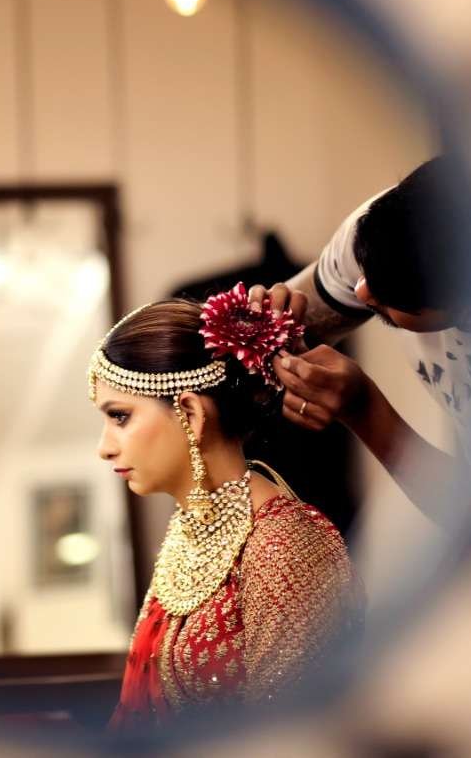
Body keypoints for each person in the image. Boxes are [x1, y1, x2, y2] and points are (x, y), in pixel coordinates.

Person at [89, 290, 364, 732]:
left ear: (191, 414)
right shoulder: (191, 527)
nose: (104, 447)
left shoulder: (283, 545)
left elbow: (289, 737)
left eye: (119, 416)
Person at [248, 157, 471, 522]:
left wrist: (365, 410)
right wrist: (262, 324)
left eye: (391, 298)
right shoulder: (383, 230)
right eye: (362, 270)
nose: (361, 292)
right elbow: (289, 321)